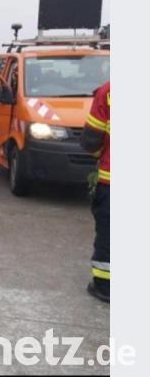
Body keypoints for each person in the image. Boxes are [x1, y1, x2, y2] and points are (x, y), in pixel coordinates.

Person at [80, 80, 110, 303]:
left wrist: (100, 155)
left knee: (109, 233)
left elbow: (91, 140)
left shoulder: (109, 90)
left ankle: (105, 286)